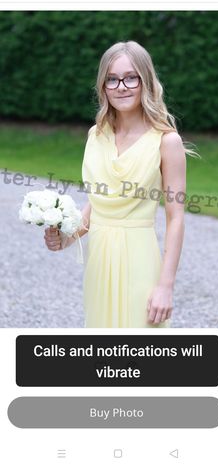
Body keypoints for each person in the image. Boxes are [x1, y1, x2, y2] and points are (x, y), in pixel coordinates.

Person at [44, 41, 186, 328]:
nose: (121, 86)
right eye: (112, 79)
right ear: (103, 86)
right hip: (99, 263)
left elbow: (176, 218)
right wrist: (67, 236)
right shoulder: (96, 135)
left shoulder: (167, 141)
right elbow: (97, 202)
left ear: (145, 81)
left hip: (140, 259)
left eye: (130, 77)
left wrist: (165, 286)